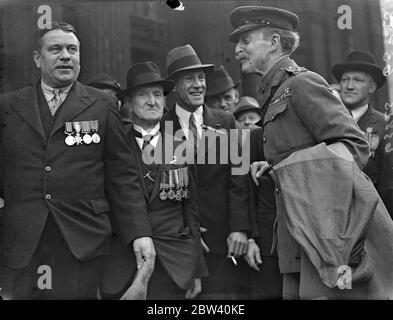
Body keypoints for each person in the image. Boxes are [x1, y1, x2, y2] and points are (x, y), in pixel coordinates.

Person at [0, 22, 154, 299]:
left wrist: (140, 233)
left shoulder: (102, 105)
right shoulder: (8, 107)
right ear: (38, 58)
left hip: (82, 239)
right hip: (21, 241)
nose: (66, 56)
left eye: (72, 49)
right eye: (55, 49)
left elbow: (123, 177)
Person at [229, 6, 370, 299]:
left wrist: (287, 167)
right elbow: (304, 153)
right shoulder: (275, 90)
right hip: (296, 238)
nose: (238, 49)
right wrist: (273, 167)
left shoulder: (301, 84)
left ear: (274, 42)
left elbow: (354, 148)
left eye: (246, 40)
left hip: (323, 237)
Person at [99, 61, 207, 300]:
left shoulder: (181, 146)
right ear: (128, 103)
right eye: (142, 95)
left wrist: (197, 269)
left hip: (173, 265)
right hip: (121, 264)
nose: (152, 101)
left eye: (158, 95)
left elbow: (191, 211)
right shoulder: (113, 145)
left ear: (165, 101)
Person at [162, 44, 251, 299]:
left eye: (201, 78)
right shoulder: (161, 127)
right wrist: (186, 228)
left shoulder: (226, 122)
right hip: (178, 240)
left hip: (223, 240)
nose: (198, 85)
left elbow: (239, 178)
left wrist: (239, 228)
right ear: (175, 86)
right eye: (189, 78)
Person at [332, 50, 387, 189]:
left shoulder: (385, 125)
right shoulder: (328, 122)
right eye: (345, 80)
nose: (349, 86)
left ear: (372, 87)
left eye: (358, 80)